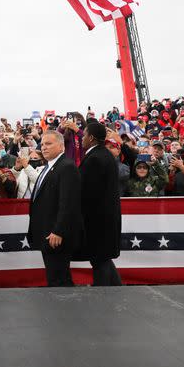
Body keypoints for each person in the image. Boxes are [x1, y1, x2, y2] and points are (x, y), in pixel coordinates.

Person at [28, 131, 81, 287]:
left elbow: (68, 203)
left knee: (59, 279)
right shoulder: (49, 166)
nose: (44, 147)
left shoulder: (66, 167)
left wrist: (59, 230)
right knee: (55, 277)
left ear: (61, 146)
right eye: (42, 144)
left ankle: (65, 310)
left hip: (56, 235)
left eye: (49, 144)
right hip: (46, 232)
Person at [73, 121, 122, 286]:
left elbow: (88, 192)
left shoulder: (95, 158)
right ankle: (117, 289)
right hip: (105, 218)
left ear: (91, 138)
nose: (82, 138)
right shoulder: (104, 154)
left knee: (99, 260)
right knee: (103, 258)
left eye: (84, 134)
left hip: (98, 220)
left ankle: (103, 295)